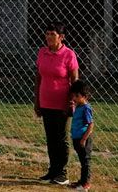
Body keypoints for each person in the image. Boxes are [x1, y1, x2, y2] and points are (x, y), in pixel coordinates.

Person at [34, 22, 79, 185]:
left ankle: (62, 173)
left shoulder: (69, 55)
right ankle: (52, 170)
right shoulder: (42, 53)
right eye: (47, 34)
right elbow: (38, 78)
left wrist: (71, 102)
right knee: (50, 138)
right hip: (46, 102)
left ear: (61, 37)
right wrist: (37, 101)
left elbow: (75, 80)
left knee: (62, 138)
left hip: (63, 104)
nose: (48, 37)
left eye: (52, 34)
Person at [69, 80, 94, 191]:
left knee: (85, 161)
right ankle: (82, 181)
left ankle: (85, 184)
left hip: (84, 139)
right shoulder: (78, 107)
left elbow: (91, 124)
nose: (74, 98)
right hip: (77, 138)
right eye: (73, 95)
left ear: (85, 96)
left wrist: (84, 139)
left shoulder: (86, 108)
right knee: (82, 160)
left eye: (77, 96)